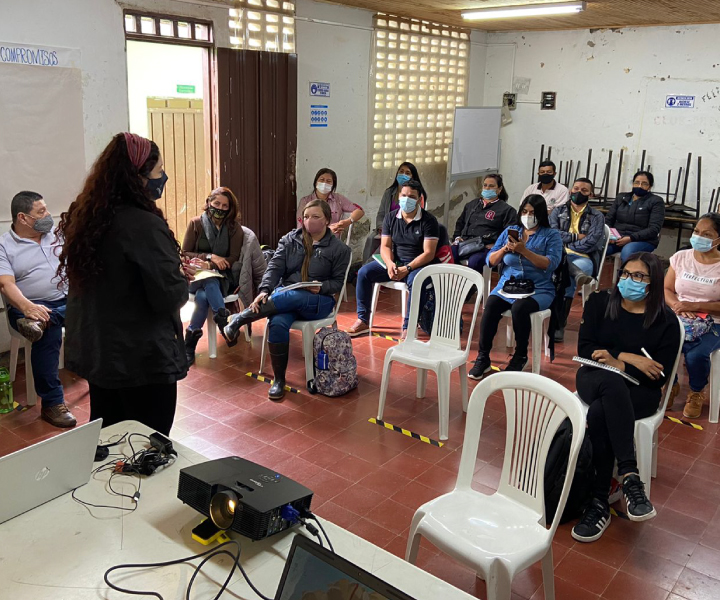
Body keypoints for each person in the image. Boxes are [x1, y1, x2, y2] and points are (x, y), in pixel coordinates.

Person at [58, 133, 192, 436]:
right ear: (139, 178)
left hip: (101, 353)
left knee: (110, 437)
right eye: (158, 172)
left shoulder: (88, 217)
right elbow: (169, 295)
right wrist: (181, 278)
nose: (162, 178)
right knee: (148, 443)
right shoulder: (143, 225)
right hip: (140, 360)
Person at [572, 253, 680, 542]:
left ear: (653, 283)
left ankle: (599, 501)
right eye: (625, 273)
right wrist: (625, 359)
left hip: (641, 390)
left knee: (599, 413)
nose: (628, 281)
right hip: (594, 376)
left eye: (638, 276)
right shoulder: (599, 302)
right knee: (610, 382)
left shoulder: (665, 321)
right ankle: (630, 478)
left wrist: (618, 361)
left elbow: (659, 375)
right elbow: (585, 349)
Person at [224, 200, 350, 401]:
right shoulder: (290, 240)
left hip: (318, 301)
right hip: (287, 297)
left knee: (293, 296)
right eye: (306, 217)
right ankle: (279, 380)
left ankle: (240, 319)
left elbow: (338, 283)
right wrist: (264, 290)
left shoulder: (339, 249)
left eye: (316, 217)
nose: (309, 221)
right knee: (277, 323)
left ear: (327, 220)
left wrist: (322, 287)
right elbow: (274, 268)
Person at [0, 191, 75, 428]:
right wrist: (28, 307)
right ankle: (52, 404)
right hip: (27, 307)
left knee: (95, 311)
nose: (47, 216)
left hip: (68, 301)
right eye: (40, 212)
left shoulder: (57, 235)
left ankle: (46, 321)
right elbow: (6, 284)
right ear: (22, 218)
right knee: (47, 331)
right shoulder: (4, 246)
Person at [468, 194, 563, 376]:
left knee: (520, 309)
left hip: (539, 288)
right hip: (509, 285)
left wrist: (524, 251)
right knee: (491, 306)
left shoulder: (551, 236)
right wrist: (505, 249)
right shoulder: (511, 231)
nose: (528, 216)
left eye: (532, 212)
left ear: (541, 214)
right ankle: (483, 357)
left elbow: (550, 264)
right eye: (525, 211)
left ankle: (520, 355)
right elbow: (490, 261)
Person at [347, 180, 439, 340]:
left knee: (418, 281)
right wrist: (389, 264)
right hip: (395, 262)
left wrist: (408, 268)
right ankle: (363, 320)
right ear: (398, 196)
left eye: (412, 196)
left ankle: (409, 326)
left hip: (417, 264)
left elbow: (429, 253)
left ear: (419, 199)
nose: (407, 199)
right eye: (404, 195)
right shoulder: (391, 218)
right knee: (363, 273)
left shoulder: (429, 221)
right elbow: (385, 246)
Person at [664, 212, 720, 418]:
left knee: (696, 354)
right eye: (696, 231)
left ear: (718, 240)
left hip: (714, 322)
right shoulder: (681, 257)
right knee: (662, 342)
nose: (699, 237)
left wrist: (695, 306)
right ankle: (671, 385)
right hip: (680, 315)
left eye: (707, 234)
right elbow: (667, 289)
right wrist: (678, 305)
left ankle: (696, 391)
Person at [181, 187, 244, 364]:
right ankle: (225, 324)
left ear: (230, 208)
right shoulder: (196, 223)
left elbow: (233, 258)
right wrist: (210, 257)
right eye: (216, 203)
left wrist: (210, 265)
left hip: (222, 278)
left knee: (204, 294)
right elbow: (185, 252)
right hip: (195, 275)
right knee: (207, 279)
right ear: (209, 202)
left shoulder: (234, 228)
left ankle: (189, 345)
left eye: (225, 205)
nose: (220, 208)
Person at [549, 177, 606, 342]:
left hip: (583, 258)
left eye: (584, 190)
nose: (578, 192)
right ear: (570, 190)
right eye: (576, 188)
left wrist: (569, 246)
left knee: (566, 274)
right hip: (558, 254)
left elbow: (592, 241)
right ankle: (553, 317)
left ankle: (559, 324)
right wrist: (575, 236)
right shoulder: (557, 211)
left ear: (591, 194)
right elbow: (552, 234)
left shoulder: (597, 216)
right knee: (567, 273)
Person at [451, 173, 517, 273]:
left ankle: (471, 288)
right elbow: (460, 223)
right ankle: (450, 286)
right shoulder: (472, 205)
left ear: (499, 189)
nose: (487, 188)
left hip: (485, 247)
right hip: (466, 243)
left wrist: (496, 245)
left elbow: (510, 233)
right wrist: (457, 237)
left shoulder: (507, 210)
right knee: (448, 255)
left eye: (491, 186)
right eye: (485, 185)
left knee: (475, 261)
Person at [363, 162, 428, 261]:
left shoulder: (418, 196)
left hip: (403, 232)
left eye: (407, 173)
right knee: (371, 239)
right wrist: (382, 227)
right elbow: (381, 214)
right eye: (401, 172)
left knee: (382, 249)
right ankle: (366, 266)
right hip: (386, 227)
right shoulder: (389, 193)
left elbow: (416, 219)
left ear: (413, 177)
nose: (403, 175)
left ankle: (369, 266)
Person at [605, 170, 665, 262]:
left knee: (628, 251)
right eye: (637, 182)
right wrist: (610, 236)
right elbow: (608, 220)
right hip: (617, 239)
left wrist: (631, 238)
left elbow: (654, 229)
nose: (639, 186)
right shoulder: (621, 197)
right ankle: (590, 275)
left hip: (643, 240)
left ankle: (625, 276)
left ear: (650, 186)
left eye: (644, 183)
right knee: (596, 248)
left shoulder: (656, 201)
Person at [296, 168, 364, 236]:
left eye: (328, 181)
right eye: (321, 180)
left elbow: (360, 210)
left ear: (333, 185)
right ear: (316, 182)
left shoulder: (338, 199)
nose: (324, 183)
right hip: (312, 242)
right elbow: (301, 227)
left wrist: (348, 221)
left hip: (333, 242)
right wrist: (326, 231)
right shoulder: (305, 201)